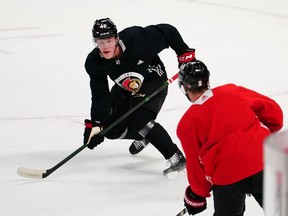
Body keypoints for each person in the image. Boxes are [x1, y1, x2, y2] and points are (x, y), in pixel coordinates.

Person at [83, 17, 195, 176]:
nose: (106, 46)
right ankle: (145, 136)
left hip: (153, 79)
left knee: (139, 117)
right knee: (109, 129)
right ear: (95, 42)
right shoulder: (94, 62)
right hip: (126, 87)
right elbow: (100, 95)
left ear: (116, 38)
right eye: (101, 42)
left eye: (109, 40)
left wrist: (184, 54)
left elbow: (168, 31)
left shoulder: (137, 39)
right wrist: (96, 124)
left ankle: (175, 156)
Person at [176, 60, 283, 215]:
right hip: (264, 161)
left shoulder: (186, 124)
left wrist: (197, 195)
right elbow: (274, 113)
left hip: (227, 176)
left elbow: (195, 167)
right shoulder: (231, 91)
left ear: (186, 88)